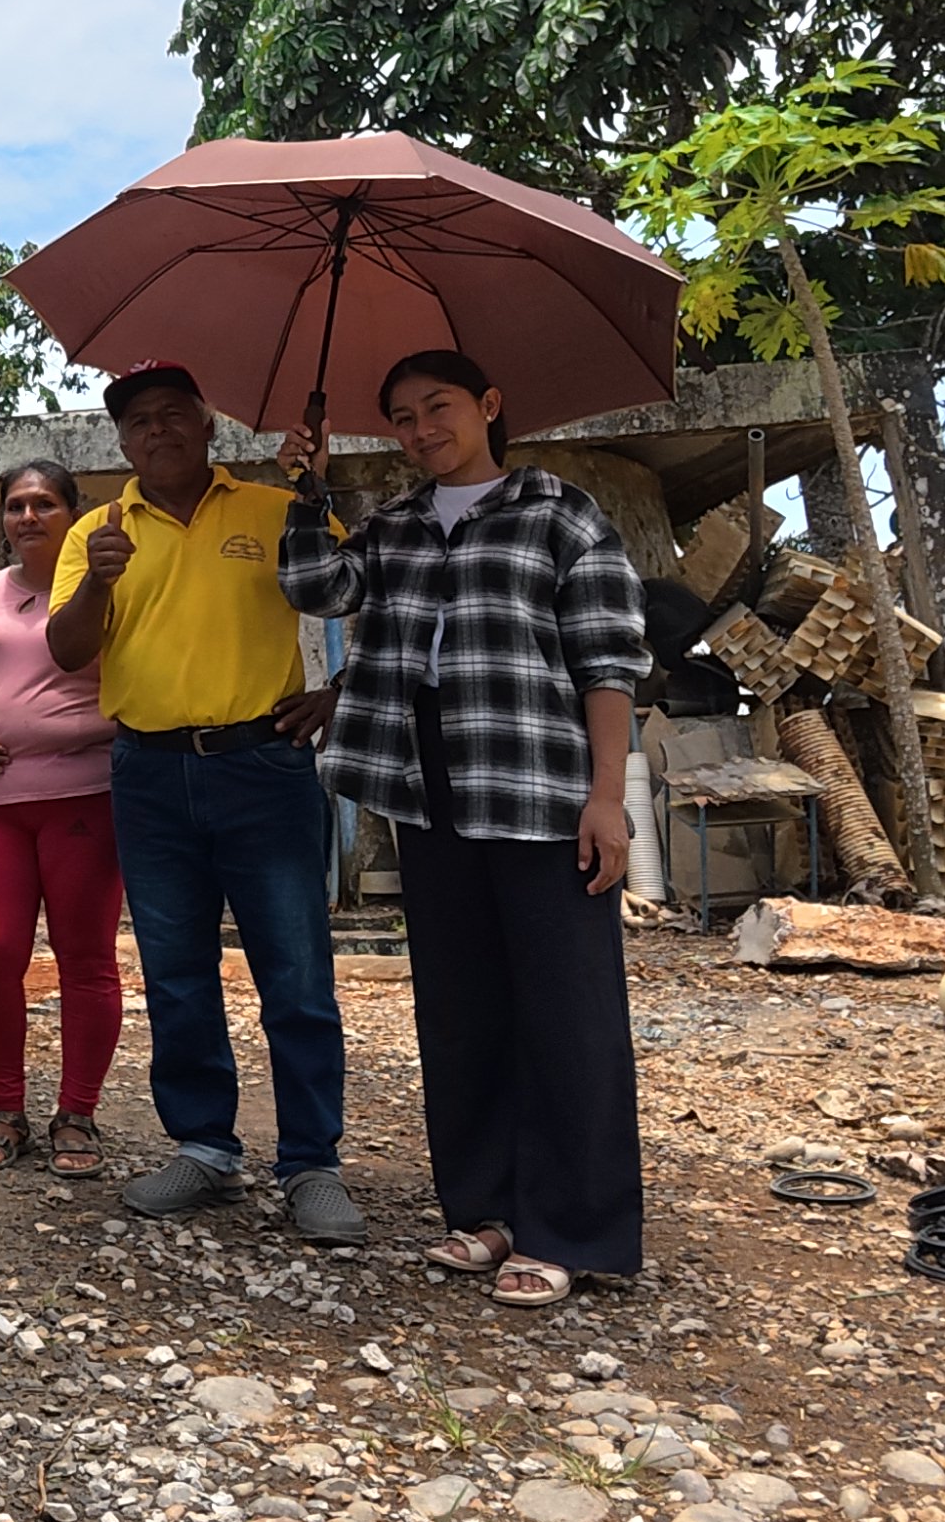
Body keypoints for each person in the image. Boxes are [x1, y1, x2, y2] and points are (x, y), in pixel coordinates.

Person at [281, 351, 646, 1304]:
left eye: (437, 406)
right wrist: (308, 489)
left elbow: (608, 660)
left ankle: (570, 1228)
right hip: (427, 781)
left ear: (488, 405)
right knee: (460, 1006)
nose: (420, 430)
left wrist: (607, 797)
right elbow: (316, 590)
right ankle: (484, 1209)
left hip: (539, 783)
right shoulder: (393, 525)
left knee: (567, 1010)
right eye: (401, 417)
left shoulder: (559, 513)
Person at [43, 361, 357, 1244]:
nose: (159, 431)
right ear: (121, 441)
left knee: (295, 972)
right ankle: (206, 1146)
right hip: (149, 774)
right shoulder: (96, 533)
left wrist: (342, 692)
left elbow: (358, 593)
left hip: (264, 766)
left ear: (208, 422)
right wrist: (99, 581)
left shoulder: (273, 509)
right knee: (177, 972)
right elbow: (67, 651)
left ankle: (312, 1162)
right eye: (139, 421)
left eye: (174, 413)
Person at [0, 460, 122, 1179]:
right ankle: (4, 1106)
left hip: (84, 798)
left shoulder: (108, 585)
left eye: (44, 504)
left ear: (74, 513)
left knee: (85, 958)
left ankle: (77, 1112)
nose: (28, 517)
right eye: (16, 505)